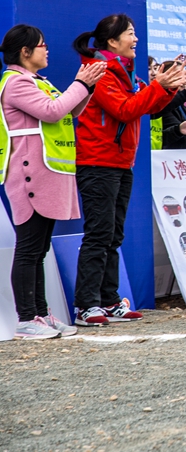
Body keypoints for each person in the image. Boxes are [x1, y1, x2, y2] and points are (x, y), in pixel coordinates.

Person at [72, 14, 186, 326]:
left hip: (120, 162)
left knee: (113, 234)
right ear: (112, 41)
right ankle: (86, 305)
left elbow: (146, 106)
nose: (135, 39)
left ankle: (109, 301)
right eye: (130, 33)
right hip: (98, 162)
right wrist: (158, 86)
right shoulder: (102, 72)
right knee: (99, 234)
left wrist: (172, 90)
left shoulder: (125, 71)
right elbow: (125, 110)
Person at [0, 25, 106, 338]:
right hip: (28, 171)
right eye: (42, 46)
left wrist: (87, 87)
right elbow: (51, 111)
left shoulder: (36, 81)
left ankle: (41, 313)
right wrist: (79, 83)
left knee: (40, 247)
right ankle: (26, 318)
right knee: (30, 247)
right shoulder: (16, 83)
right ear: (25, 52)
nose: (47, 50)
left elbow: (67, 110)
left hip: (45, 171)